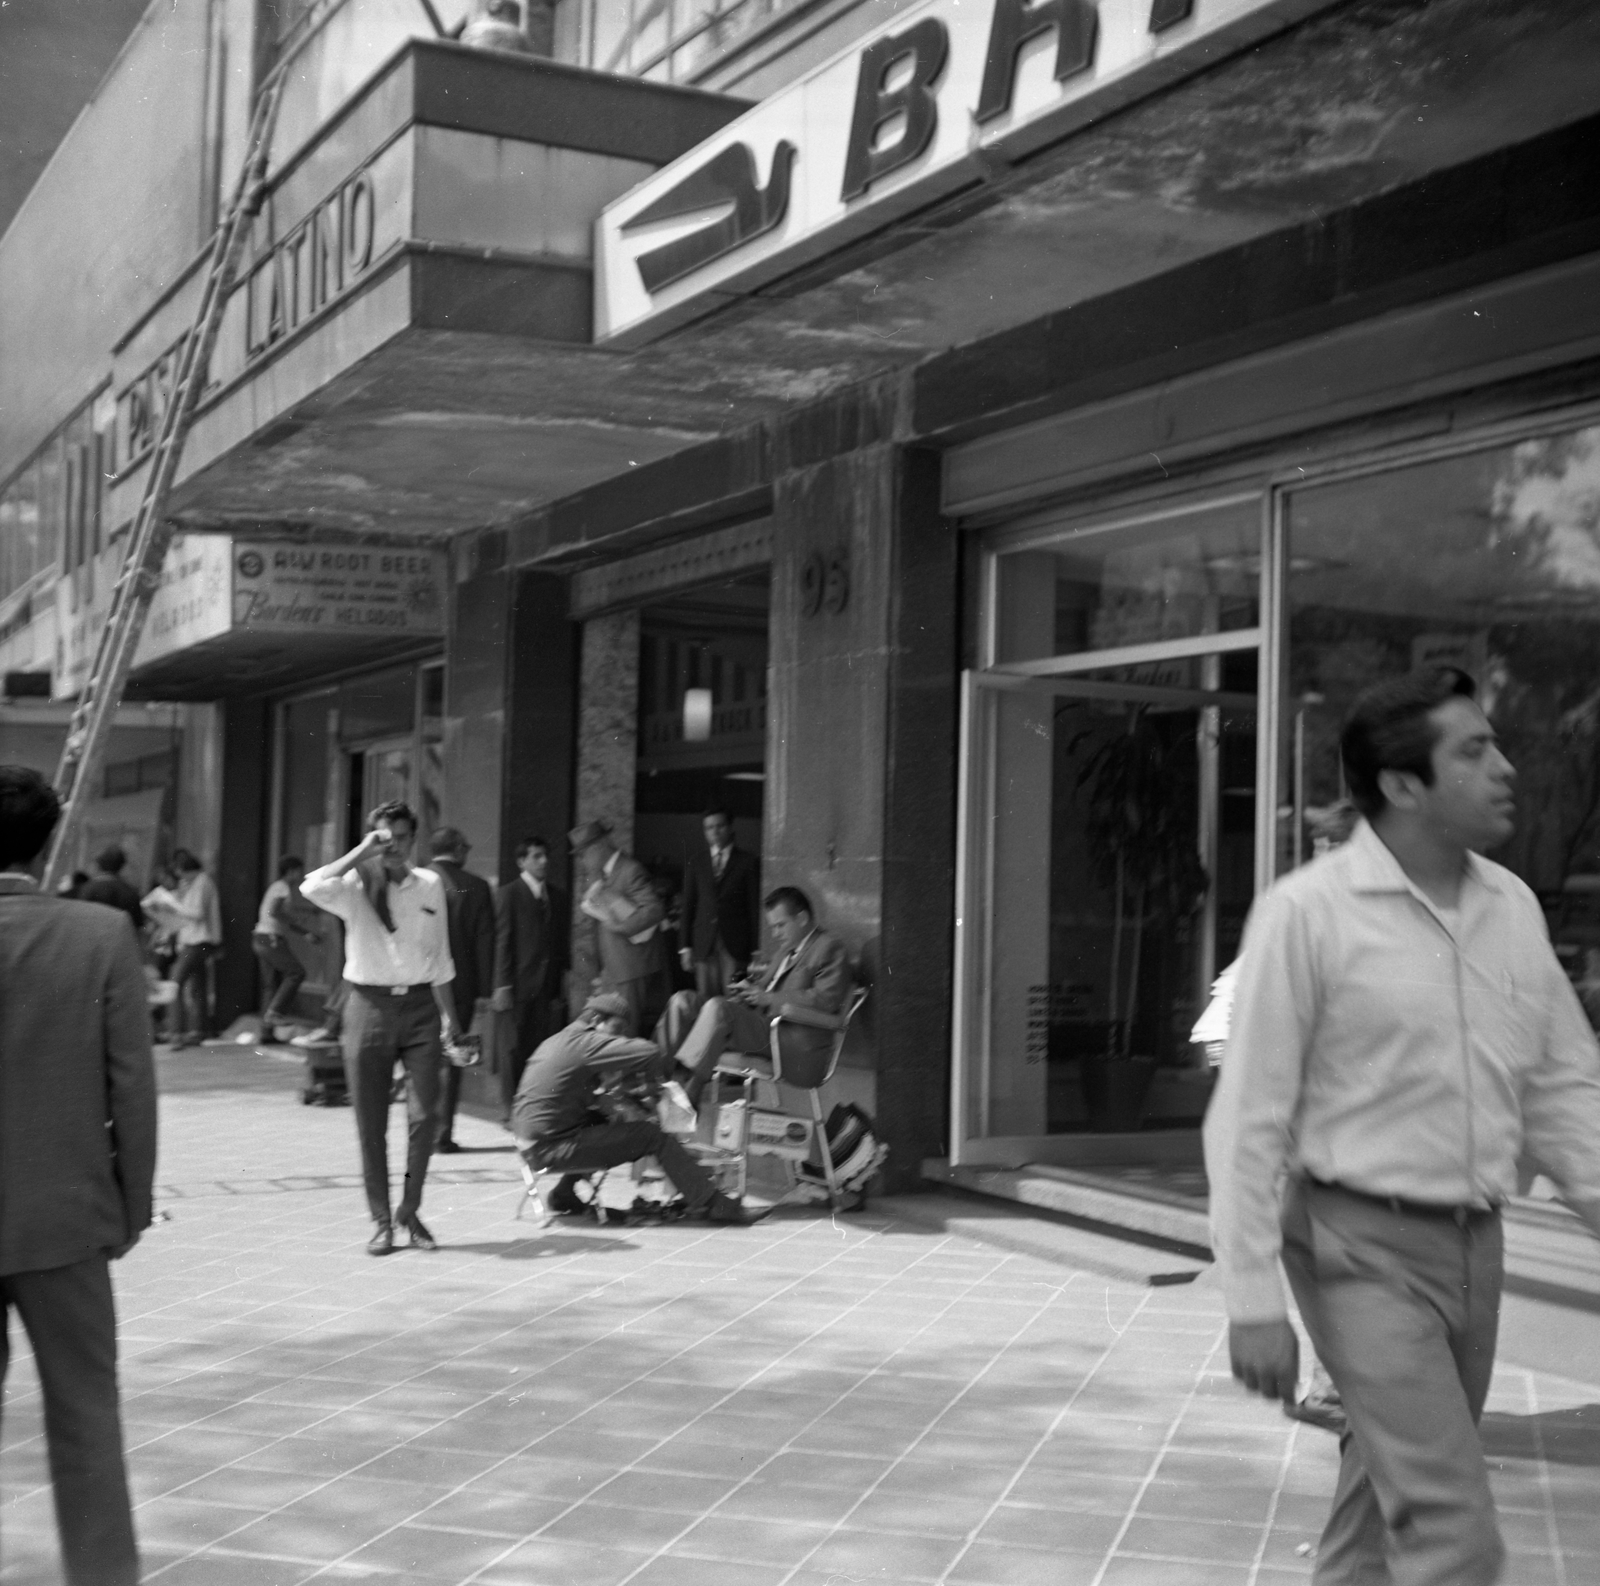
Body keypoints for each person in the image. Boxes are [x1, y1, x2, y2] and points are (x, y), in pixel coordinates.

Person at [1205, 668, 1600, 1586]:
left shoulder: (1513, 907)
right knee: (1452, 1526)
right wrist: (1252, 1297)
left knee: (1384, 1498)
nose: (1505, 766)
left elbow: (1559, 1088)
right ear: (1402, 786)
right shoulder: (1305, 916)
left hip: (1475, 1243)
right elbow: (1249, 1120)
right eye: (1474, 750)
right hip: (1355, 1247)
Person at [0, 767, 157, 1586]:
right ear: (52, 839)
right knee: (86, 1415)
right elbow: (131, 1085)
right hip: (67, 1217)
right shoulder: (100, 935)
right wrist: (131, 1208)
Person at [301, 801, 460, 1255]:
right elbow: (311, 886)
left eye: (402, 838)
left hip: (420, 1008)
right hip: (367, 1006)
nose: (394, 847)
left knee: (425, 1116)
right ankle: (380, 1221)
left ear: (415, 839)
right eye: (385, 838)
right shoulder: (353, 884)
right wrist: (363, 851)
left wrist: (452, 1019)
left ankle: (409, 1210)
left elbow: (441, 957)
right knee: (370, 1121)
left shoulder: (429, 884)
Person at [511, 991, 760, 1224]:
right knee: (652, 1137)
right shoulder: (587, 1043)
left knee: (608, 1120)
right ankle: (715, 1204)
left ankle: (564, 1193)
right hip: (550, 1149)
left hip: (530, 1145)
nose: (618, 1039)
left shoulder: (560, 1039)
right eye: (616, 1029)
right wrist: (653, 1086)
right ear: (596, 1019)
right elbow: (650, 1052)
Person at [661, 884, 850, 1110]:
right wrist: (748, 992)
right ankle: (660, 1081)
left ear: (802, 918)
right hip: (760, 1025)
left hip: (788, 1038)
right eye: (773, 927)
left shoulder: (829, 947)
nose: (775, 934)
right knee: (683, 1002)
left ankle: (692, 1090)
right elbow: (763, 990)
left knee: (719, 1008)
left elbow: (826, 999)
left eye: (781, 925)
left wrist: (768, 998)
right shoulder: (786, 950)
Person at [426, 826, 495, 1152]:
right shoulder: (476, 887)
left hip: (417, 984)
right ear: (456, 849)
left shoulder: (413, 879)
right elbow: (484, 943)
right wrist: (484, 991)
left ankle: (420, 1132)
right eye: (465, 847)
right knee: (451, 1059)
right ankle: (441, 1134)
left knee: (419, 1058)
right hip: (459, 987)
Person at [491, 835, 568, 1121]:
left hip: (546, 986)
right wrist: (502, 984)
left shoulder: (557, 896)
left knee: (540, 1047)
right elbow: (503, 941)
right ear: (521, 861)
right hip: (517, 986)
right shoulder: (509, 894)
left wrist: (561, 982)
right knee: (512, 1050)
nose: (543, 861)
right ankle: (511, 1113)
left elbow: (560, 944)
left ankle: (533, 1108)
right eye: (536, 856)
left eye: (545, 855)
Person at [570, 819, 667, 1037]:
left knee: (623, 1031)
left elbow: (654, 909)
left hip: (631, 967)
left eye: (583, 854)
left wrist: (621, 926)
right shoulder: (601, 875)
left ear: (599, 846)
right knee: (611, 1031)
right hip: (614, 968)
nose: (582, 861)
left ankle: (625, 1071)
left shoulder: (630, 869)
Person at [678, 807, 761, 999]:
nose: (714, 831)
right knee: (705, 999)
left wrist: (756, 947)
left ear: (730, 827)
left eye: (720, 826)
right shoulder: (696, 862)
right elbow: (688, 906)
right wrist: (685, 947)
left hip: (735, 942)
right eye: (709, 828)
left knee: (733, 998)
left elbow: (754, 906)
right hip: (703, 941)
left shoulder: (747, 861)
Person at [144, 849, 222, 1047]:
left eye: (180, 872)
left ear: (186, 869)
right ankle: (198, 1030)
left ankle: (177, 1032)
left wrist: (174, 906)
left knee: (174, 982)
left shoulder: (203, 882)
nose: (179, 876)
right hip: (192, 939)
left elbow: (197, 913)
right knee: (198, 986)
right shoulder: (192, 883)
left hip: (198, 940)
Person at [252, 855, 322, 1044]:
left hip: (260, 938)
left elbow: (286, 913)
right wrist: (301, 924)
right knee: (296, 972)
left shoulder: (277, 888)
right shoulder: (282, 887)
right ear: (291, 871)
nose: (301, 875)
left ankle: (266, 1032)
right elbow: (276, 912)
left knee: (270, 986)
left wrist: (306, 930)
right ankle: (275, 1013)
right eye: (299, 871)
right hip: (270, 939)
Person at [80, 845, 145, 934]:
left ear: (99, 864)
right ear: (121, 865)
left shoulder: (88, 888)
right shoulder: (131, 892)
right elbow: (137, 928)